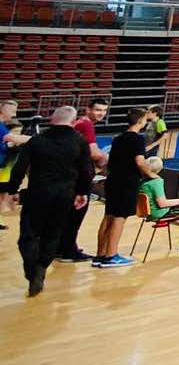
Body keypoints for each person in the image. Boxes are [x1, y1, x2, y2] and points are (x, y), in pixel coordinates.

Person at [9, 106, 93, 296]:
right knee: (52, 234)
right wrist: (82, 192)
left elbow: (19, 167)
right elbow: (86, 171)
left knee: (28, 235)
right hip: (64, 196)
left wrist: (13, 190)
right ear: (73, 122)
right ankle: (41, 266)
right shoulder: (79, 141)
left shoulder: (37, 140)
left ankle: (32, 270)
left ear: (52, 120)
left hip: (37, 194)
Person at [96, 107, 157, 268]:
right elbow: (140, 162)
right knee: (119, 218)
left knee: (108, 216)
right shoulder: (137, 139)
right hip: (126, 182)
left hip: (112, 180)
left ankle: (100, 255)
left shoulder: (118, 138)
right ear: (140, 121)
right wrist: (151, 174)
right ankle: (111, 256)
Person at [60, 97, 109, 262]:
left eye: (104, 110)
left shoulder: (80, 123)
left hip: (70, 175)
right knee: (75, 215)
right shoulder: (86, 125)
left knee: (68, 215)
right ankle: (68, 251)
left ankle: (64, 247)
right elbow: (94, 153)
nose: (101, 113)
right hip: (78, 177)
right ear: (88, 109)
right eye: (98, 110)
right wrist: (107, 158)